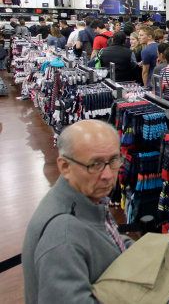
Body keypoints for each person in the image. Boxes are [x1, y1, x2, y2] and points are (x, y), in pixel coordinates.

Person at [22, 120, 132, 304]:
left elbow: (103, 236)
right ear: (65, 167)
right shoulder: (62, 237)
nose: (108, 175)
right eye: (95, 164)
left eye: (113, 160)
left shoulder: (84, 199)